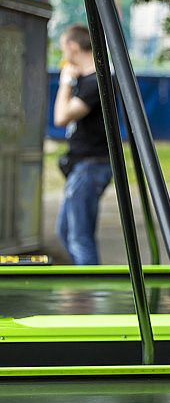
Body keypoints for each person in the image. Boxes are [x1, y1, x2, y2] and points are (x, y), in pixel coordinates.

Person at [52, 23, 113, 265]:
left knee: (79, 237)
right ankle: (86, 290)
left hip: (90, 166)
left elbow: (61, 117)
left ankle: (90, 294)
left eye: (63, 50)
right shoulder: (87, 81)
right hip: (83, 166)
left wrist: (65, 83)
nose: (63, 56)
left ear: (73, 47)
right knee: (66, 231)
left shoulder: (94, 83)